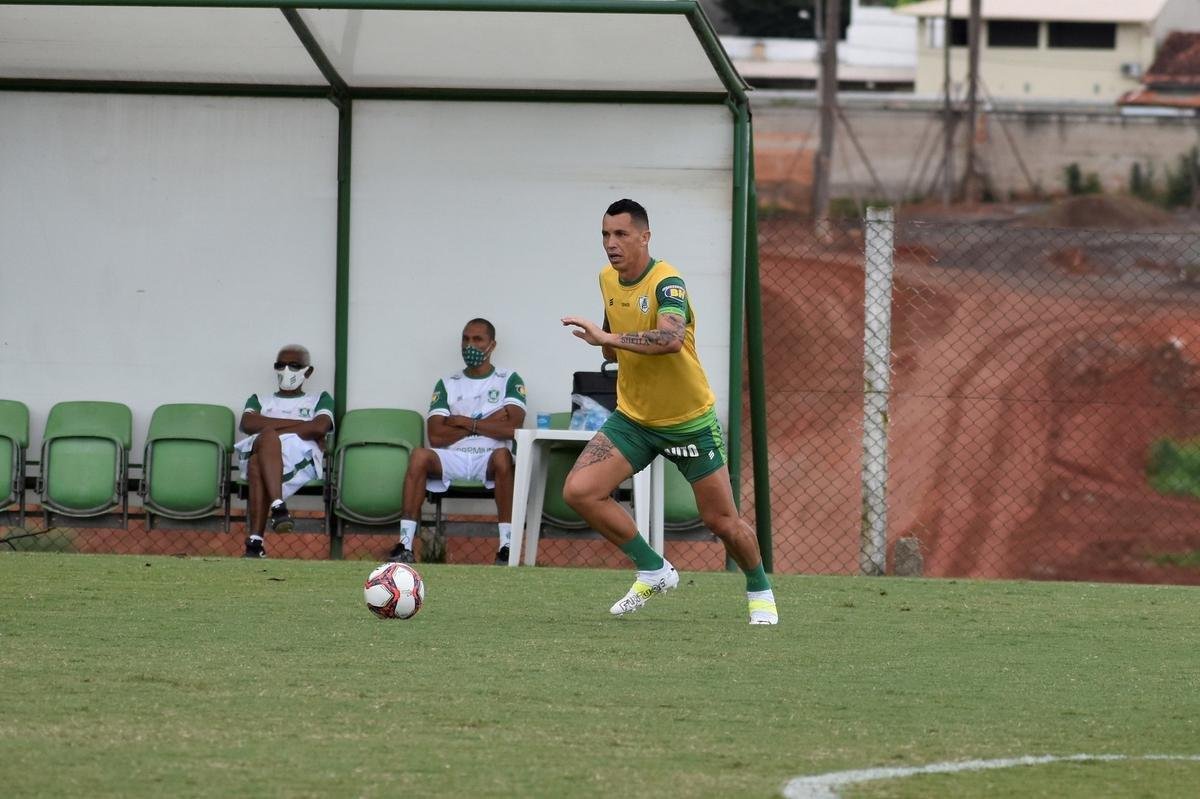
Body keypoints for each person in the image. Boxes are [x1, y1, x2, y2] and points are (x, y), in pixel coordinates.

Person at [560, 199, 778, 625]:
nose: (611, 244)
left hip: (688, 423)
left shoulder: (667, 282)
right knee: (580, 492)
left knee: (721, 521)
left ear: (645, 237)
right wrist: (600, 340)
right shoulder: (607, 279)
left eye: (621, 234)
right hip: (635, 419)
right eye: (605, 235)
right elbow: (613, 336)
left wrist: (609, 336)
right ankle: (654, 569)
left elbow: (670, 339)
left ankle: (760, 590)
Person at [388, 318, 527, 565]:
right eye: (465, 339)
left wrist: (462, 421)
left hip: (490, 457)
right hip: (454, 456)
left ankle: (507, 545)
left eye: (477, 339)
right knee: (420, 455)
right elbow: (437, 436)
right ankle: (405, 544)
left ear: (492, 345)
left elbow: (513, 428)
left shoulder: (509, 380)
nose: (469, 345)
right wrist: (486, 422)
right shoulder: (448, 383)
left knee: (504, 457)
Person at [234, 344, 334, 559]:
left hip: (299, 458)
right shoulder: (259, 399)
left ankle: (255, 543)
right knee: (267, 437)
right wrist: (302, 425)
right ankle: (278, 507)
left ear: (308, 371)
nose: (286, 370)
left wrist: (269, 425)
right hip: (263, 449)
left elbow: (319, 427)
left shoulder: (319, 398)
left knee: (257, 460)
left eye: (294, 365)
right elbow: (248, 423)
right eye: (281, 365)